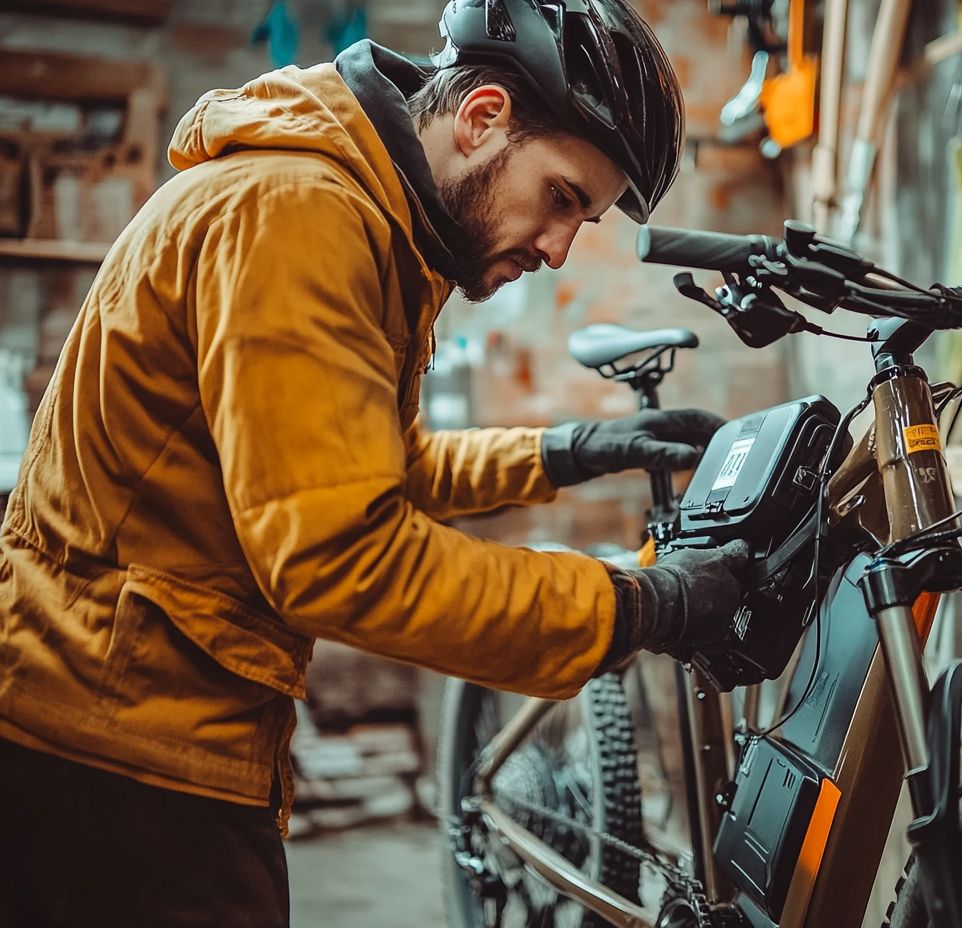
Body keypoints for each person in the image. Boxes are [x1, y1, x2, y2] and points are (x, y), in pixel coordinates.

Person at [0, 1, 749, 924]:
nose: (559, 250)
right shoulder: (299, 216)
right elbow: (341, 556)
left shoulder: (364, 217)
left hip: (130, 716)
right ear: (481, 119)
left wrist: (567, 453)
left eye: (582, 222)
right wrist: (641, 607)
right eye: (562, 198)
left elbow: (367, 467)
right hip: (112, 750)